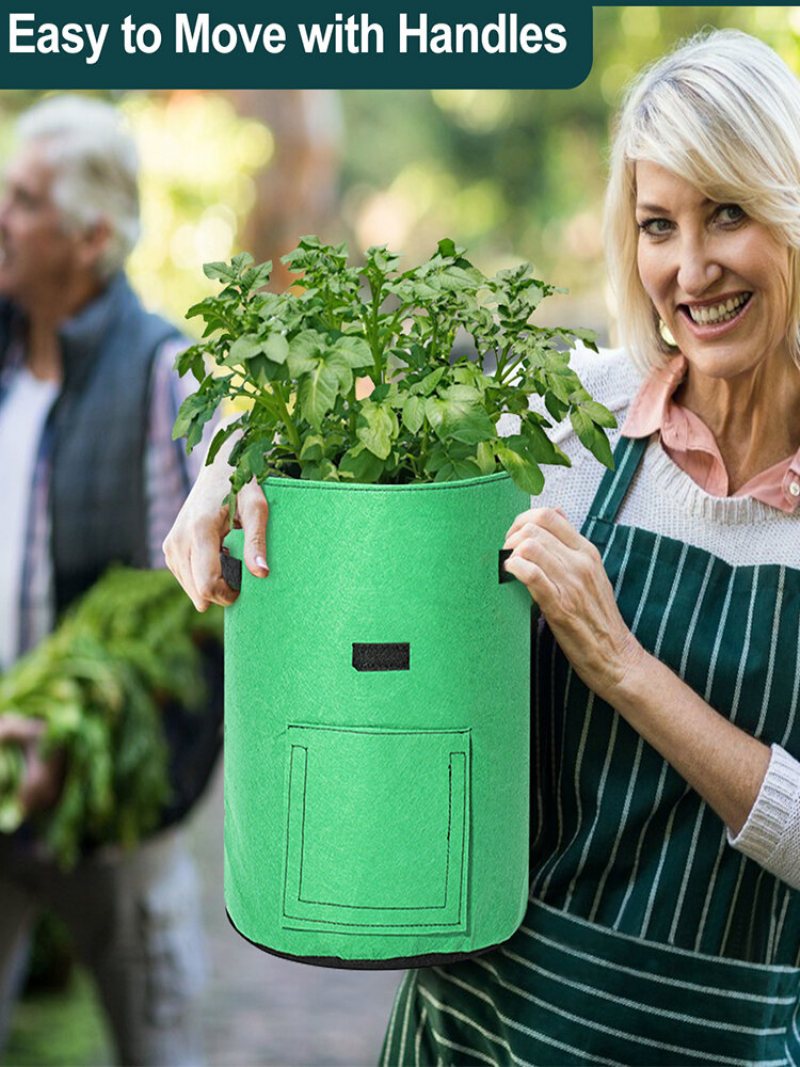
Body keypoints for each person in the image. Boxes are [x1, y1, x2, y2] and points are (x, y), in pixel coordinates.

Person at [164, 28, 800, 1064]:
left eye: (726, 211)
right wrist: (225, 477)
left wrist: (624, 667)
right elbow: (357, 431)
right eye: (654, 224)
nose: (688, 268)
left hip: (708, 1038)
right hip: (480, 1021)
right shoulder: (572, 420)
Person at [0, 95, 214, 1066]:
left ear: (90, 237)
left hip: (110, 807)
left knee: (152, 1044)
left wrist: (76, 740)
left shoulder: (160, 371)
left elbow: (188, 612)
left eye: (22, 198)